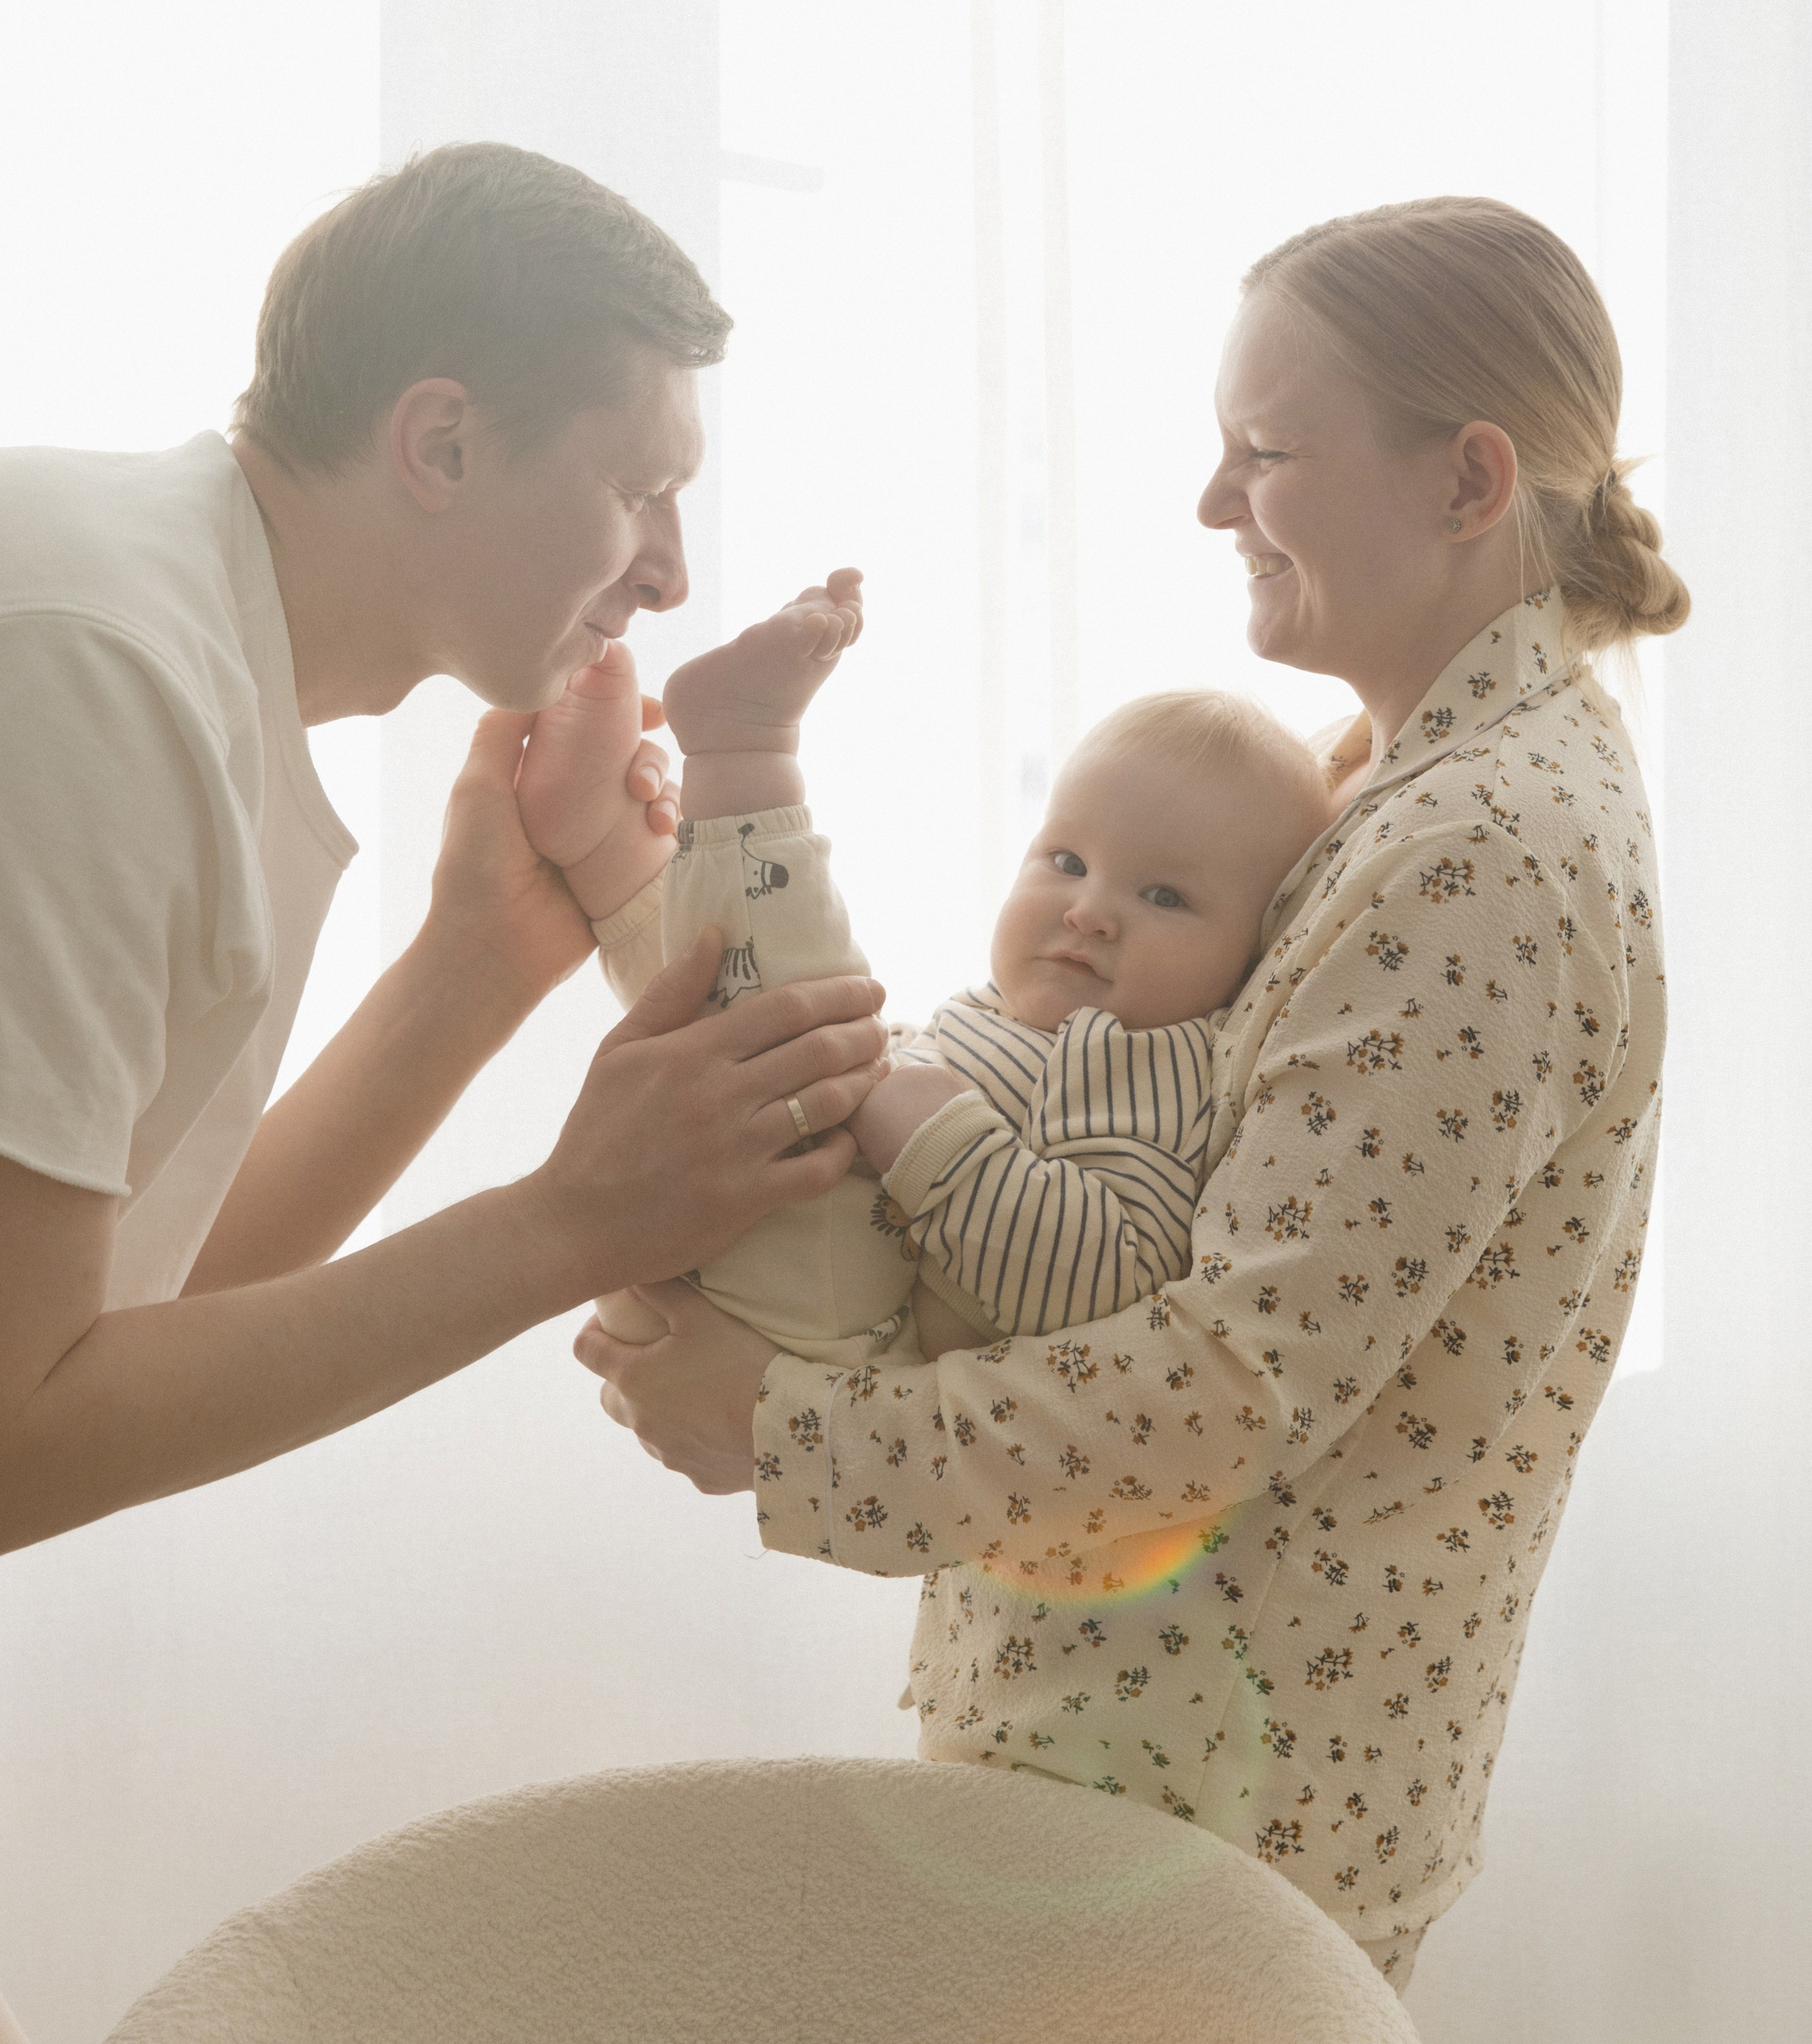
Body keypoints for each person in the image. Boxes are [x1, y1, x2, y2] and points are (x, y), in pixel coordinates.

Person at [580, 194, 1689, 1998]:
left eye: (1260, 452)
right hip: (1159, 1753)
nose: (1207, 504)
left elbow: (1233, 1386)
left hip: (1199, 1795)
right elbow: (1152, 1187)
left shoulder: (1474, 850)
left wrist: (785, 1431)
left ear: (1467, 479)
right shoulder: (1421, 783)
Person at [0, 140, 889, 1568]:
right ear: (442, 444)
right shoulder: (98, 672)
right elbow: (14, 1438)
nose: (670, 572)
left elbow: (134, 1310)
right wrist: (567, 1224)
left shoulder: (179, 646)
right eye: (638, 490)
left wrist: (475, 967)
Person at [558, 571, 1330, 1363]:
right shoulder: (1004, 1013)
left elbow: (1102, 1283)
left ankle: (741, 757)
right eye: (1066, 859)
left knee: (800, 1011)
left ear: (1251, 953)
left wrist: (917, 1118)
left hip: (840, 1319)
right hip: (748, 1250)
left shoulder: (1153, 1062)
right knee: (748, 1014)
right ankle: (608, 855)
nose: (1088, 909)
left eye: (1164, 894)